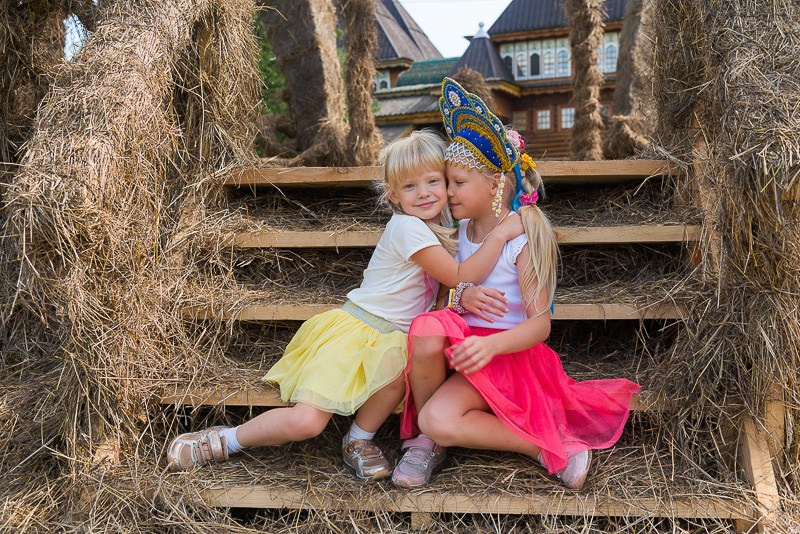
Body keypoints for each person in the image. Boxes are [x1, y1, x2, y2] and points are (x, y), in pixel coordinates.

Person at [166, 130, 524, 481]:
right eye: (410, 186)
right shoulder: (408, 229)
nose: (424, 193)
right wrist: (502, 234)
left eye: (433, 181)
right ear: (393, 195)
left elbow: (444, 286)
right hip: (360, 331)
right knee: (305, 422)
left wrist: (462, 295)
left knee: (395, 379)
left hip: (394, 338)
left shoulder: (442, 226)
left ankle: (358, 440)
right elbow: (459, 273)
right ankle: (223, 440)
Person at [392, 78, 641, 491]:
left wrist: (491, 347)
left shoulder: (520, 239)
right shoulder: (457, 231)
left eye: (458, 183)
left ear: (495, 185)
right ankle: (428, 441)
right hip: (462, 347)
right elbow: (441, 296)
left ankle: (549, 448)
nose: (447, 193)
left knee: (436, 417)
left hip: (506, 355)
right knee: (427, 334)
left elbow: (540, 325)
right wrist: (463, 295)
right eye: (447, 182)